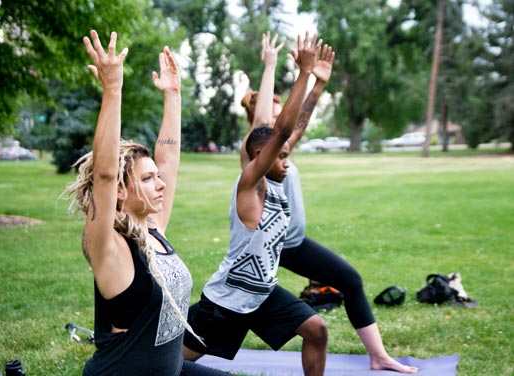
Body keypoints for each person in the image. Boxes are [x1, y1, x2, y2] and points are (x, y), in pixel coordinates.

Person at [239, 31, 418, 374]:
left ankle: (379, 356)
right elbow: (277, 125)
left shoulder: (281, 149)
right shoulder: (255, 151)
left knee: (349, 280)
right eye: (278, 110)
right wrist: (273, 65)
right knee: (231, 309)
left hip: (291, 243)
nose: (283, 117)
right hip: (266, 250)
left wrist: (318, 84)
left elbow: (297, 124)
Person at [65, 30, 230, 376]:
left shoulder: (152, 228)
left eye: (156, 177)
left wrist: (173, 95)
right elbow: (107, 174)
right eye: (147, 178)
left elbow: (167, 158)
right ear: (121, 193)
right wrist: (112, 91)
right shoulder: (107, 246)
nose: (161, 184)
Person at [184, 32, 329, 376]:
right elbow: (280, 132)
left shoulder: (278, 176)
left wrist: (319, 85)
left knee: (317, 330)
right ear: (261, 157)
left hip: (262, 294)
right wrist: (303, 74)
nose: (287, 163)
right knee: (172, 361)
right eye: (279, 157)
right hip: (226, 299)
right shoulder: (252, 183)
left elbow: (295, 129)